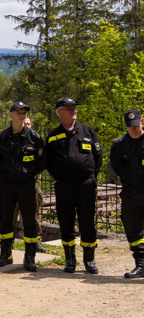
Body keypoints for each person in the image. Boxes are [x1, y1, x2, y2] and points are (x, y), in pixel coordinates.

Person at [45, 97, 102, 274]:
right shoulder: (53, 136)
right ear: (60, 113)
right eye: (69, 109)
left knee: (87, 222)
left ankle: (89, 259)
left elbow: (98, 157)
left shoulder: (87, 131)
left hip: (86, 186)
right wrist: (58, 177)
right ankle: (70, 259)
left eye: (75, 109)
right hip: (64, 187)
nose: (74, 111)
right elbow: (48, 161)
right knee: (66, 223)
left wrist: (91, 175)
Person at [0, 102, 46, 270]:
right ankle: (5, 254)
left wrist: (31, 174)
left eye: (24, 112)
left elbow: (41, 161)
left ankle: (29, 257)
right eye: (19, 112)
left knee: (30, 222)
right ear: (11, 115)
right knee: (6, 221)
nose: (22, 115)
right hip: (8, 184)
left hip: (27, 184)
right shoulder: (2, 137)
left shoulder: (34, 137)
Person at [109, 109, 144, 278]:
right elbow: (116, 167)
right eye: (130, 126)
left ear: (142, 121)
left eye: (136, 125)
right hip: (130, 194)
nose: (134, 129)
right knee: (133, 230)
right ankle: (141, 264)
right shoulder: (119, 145)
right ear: (125, 125)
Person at [11, 116, 47, 252]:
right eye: (24, 123)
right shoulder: (10, 139)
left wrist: (35, 174)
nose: (27, 126)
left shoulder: (35, 140)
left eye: (29, 124)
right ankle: (9, 243)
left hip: (32, 184)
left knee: (34, 216)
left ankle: (36, 242)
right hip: (13, 184)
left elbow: (42, 161)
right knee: (11, 217)